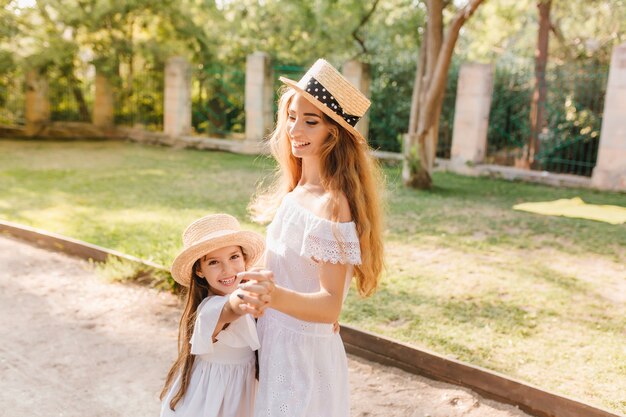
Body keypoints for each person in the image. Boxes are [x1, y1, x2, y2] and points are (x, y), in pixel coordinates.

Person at [243, 58, 385, 417]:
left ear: (333, 133)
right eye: (291, 116)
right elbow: (281, 261)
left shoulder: (332, 206)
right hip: (274, 338)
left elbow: (329, 306)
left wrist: (272, 295)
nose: (295, 128)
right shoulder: (295, 191)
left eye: (310, 121)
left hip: (303, 355)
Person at [160, 213, 274, 417]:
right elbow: (232, 308)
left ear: (245, 259)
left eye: (234, 257)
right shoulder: (209, 310)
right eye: (213, 262)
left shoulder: (246, 290)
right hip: (211, 402)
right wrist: (246, 296)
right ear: (199, 271)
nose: (228, 269)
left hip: (240, 395)